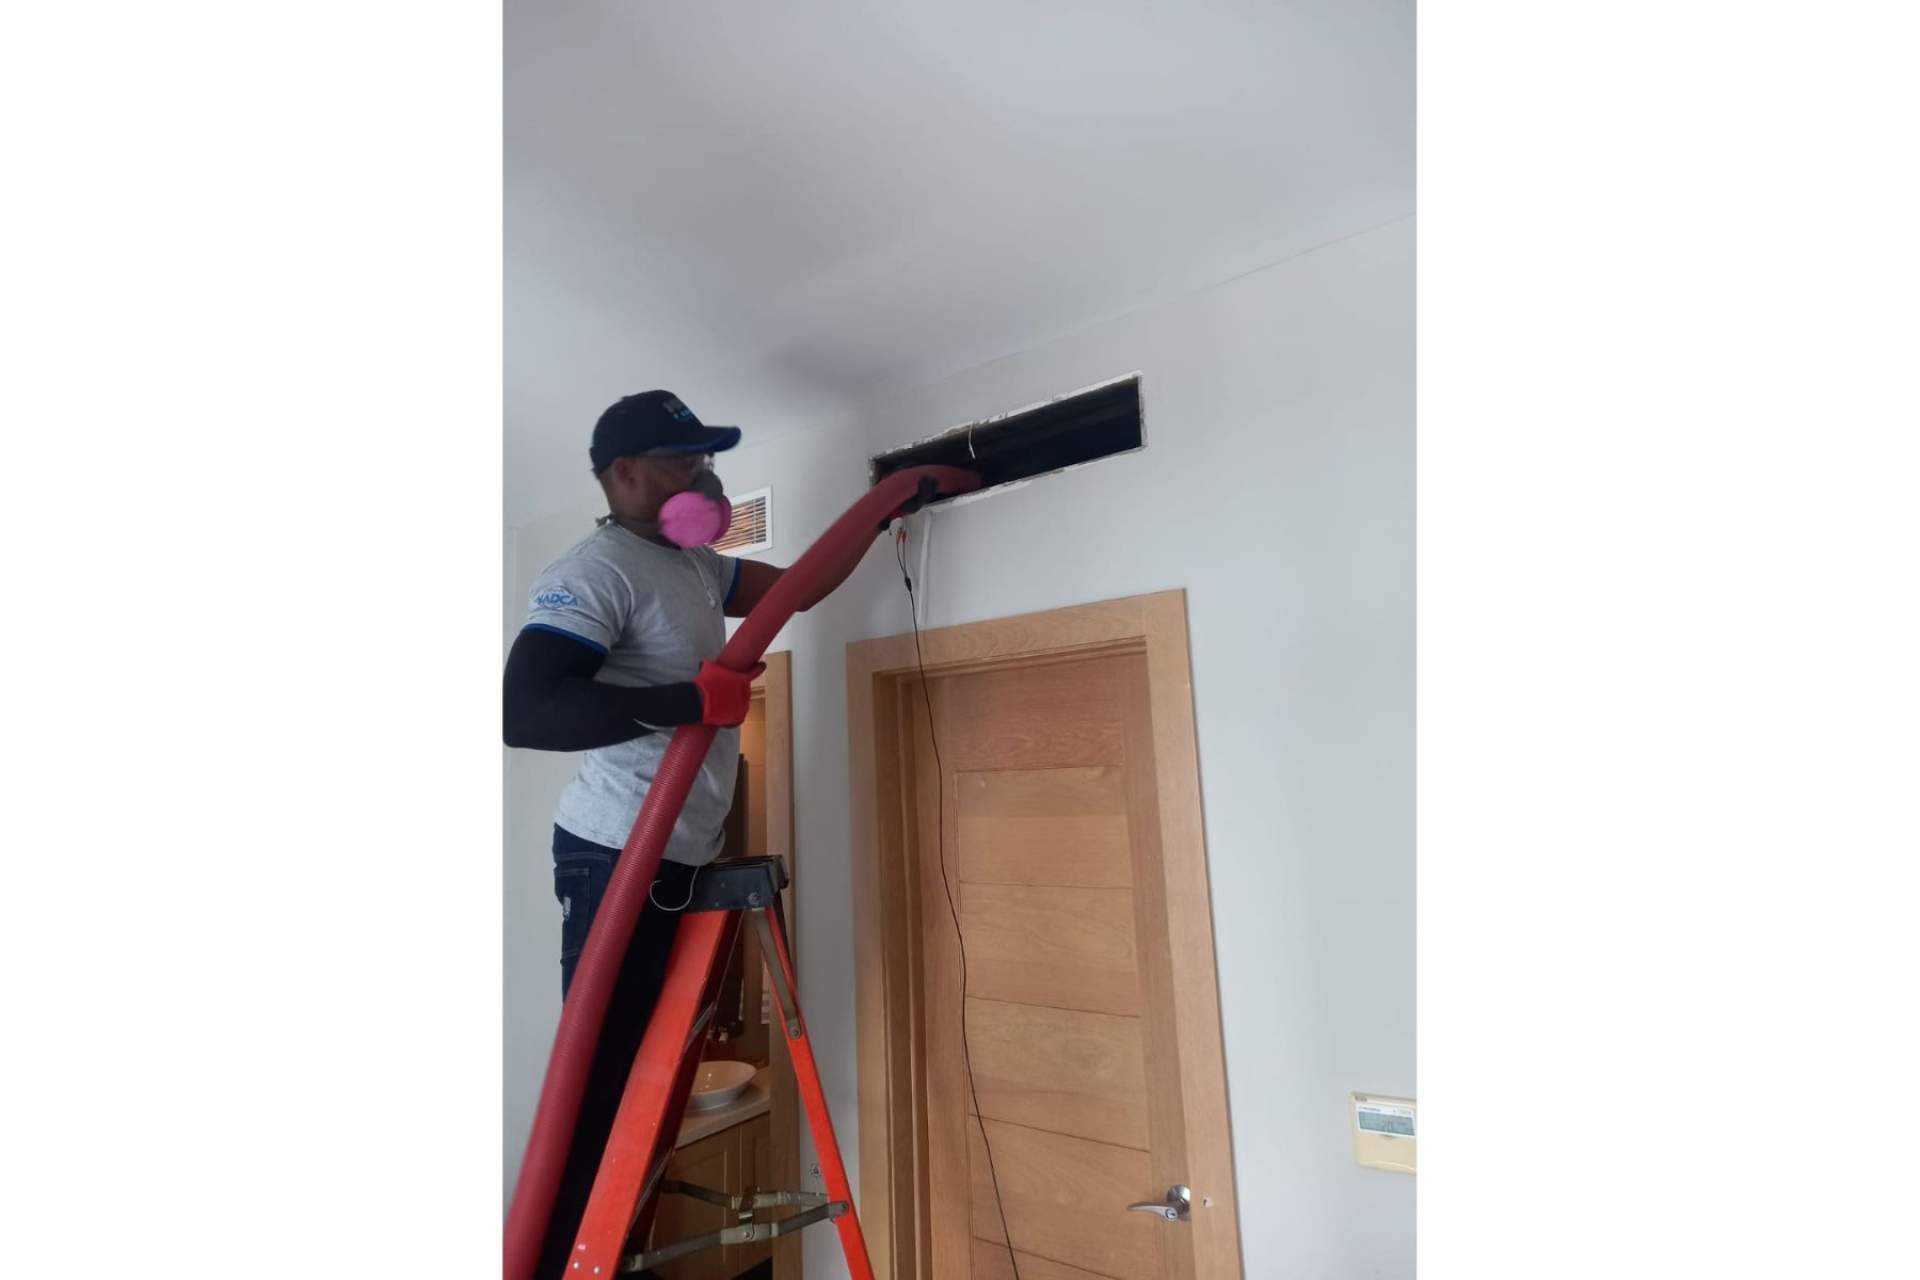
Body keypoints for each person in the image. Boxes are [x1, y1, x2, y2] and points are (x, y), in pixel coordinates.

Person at [503, 389, 877, 1276]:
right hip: (613, 852)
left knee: (650, 1070)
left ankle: (615, 1244)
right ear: (624, 474)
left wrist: (885, 506)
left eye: (707, 461)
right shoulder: (597, 570)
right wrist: (686, 700)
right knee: (600, 1079)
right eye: (683, 462)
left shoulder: (698, 564)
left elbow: (797, 589)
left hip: (678, 851)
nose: (703, 478)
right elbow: (527, 709)